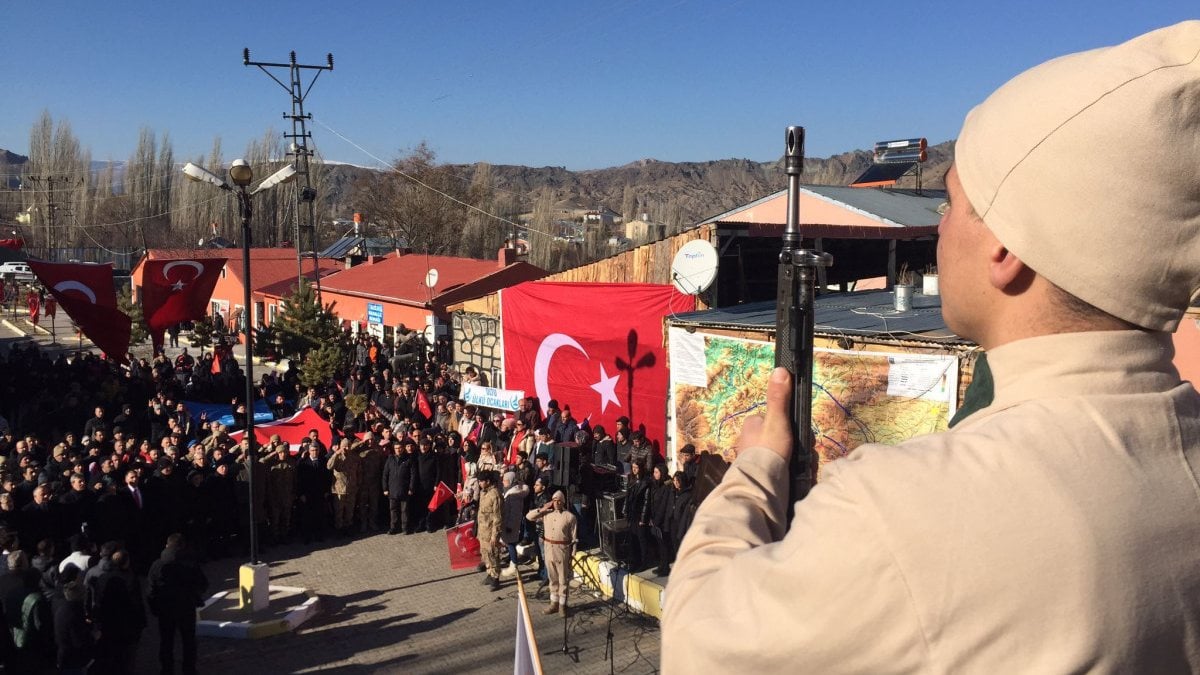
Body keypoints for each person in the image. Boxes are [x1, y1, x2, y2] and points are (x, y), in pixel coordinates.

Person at [663, 23, 1200, 672]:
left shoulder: (902, 511)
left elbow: (698, 642)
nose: (938, 229)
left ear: (1006, 248)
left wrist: (755, 471)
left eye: (950, 203)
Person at [147, 533, 208, 675]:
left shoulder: (157, 565)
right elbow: (203, 584)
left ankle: (167, 669)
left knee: (166, 641)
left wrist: (154, 608)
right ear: (182, 546)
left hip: (165, 610)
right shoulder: (190, 564)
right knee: (189, 642)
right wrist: (194, 596)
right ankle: (189, 670)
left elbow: (150, 590)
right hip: (186, 608)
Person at [525, 490, 576, 615]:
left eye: (559, 500)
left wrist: (573, 553)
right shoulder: (546, 514)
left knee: (563, 579)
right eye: (554, 500)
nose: (556, 503)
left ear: (563, 502)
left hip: (562, 550)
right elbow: (529, 516)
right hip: (549, 548)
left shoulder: (570, 517)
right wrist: (543, 508)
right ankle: (554, 603)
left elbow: (574, 538)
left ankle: (562, 606)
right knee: (552, 578)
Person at [475, 471, 503, 591]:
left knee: (493, 555)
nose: (480, 483)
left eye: (481, 481)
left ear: (488, 481)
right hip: (483, 530)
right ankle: (489, 573)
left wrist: (495, 536)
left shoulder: (495, 495)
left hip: (491, 531)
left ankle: (495, 578)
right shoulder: (483, 493)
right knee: (485, 554)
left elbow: (498, 517)